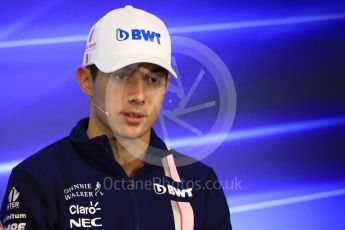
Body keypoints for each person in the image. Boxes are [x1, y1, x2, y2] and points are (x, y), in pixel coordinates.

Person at [0, 5, 232, 230]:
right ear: (86, 81)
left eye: (152, 80)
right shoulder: (37, 178)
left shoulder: (200, 182)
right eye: (122, 76)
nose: (138, 96)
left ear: (166, 85)